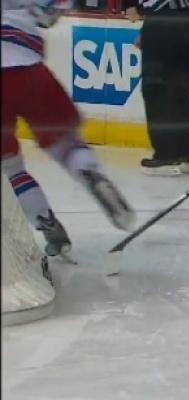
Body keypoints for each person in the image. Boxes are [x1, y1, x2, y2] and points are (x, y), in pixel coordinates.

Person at [1, 0, 136, 257]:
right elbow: (54, 9)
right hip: (31, 70)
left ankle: (47, 224)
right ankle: (89, 171)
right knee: (66, 144)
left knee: (10, 167)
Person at [124, 0, 189, 176]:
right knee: (179, 88)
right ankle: (183, 154)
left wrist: (135, 8)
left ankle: (166, 155)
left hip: (161, 20)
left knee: (156, 89)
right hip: (184, 20)